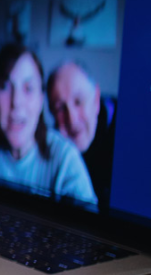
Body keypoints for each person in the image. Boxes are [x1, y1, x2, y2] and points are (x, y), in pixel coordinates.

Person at [0, 44, 98, 211]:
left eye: (28, 89)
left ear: (41, 100)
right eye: (5, 87)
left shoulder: (66, 160)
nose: (16, 102)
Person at [47, 61, 117, 206]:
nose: (71, 119)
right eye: (60, 108)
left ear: (96, 100)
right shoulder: (53, 147)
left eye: (78, 101)